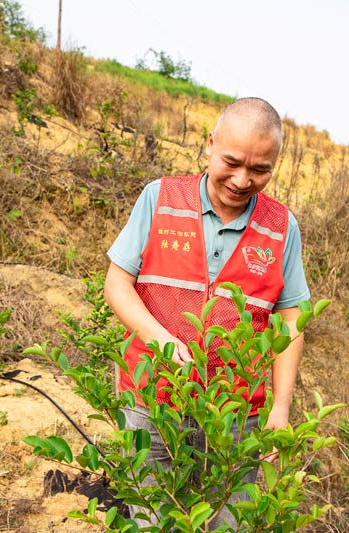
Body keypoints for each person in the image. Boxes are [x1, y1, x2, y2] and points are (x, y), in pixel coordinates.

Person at [104, 97, 310, 528]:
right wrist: (157, 337)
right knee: (152, 519)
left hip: (237, 412)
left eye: (260, 170)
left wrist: (281, 408)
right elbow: (117, 283)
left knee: (227, 521)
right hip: (151, 400)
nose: (241, 180)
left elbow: (291, 320)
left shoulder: (281, 226)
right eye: (231, 162)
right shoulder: (159, 198)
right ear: (209, 143)